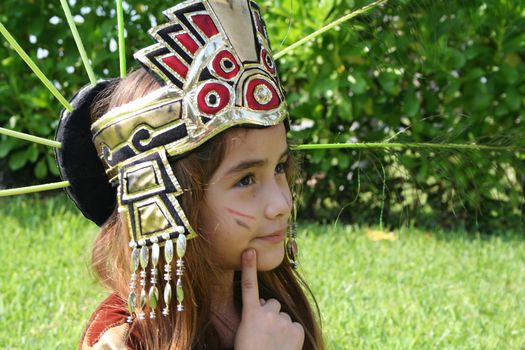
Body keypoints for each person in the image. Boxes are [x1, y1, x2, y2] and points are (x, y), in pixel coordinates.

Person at [54, 1, 324, 349]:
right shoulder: (121, 340)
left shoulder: (272, 310)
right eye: (246, 179)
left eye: (279, 168)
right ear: (164, 200)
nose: (281, 203)